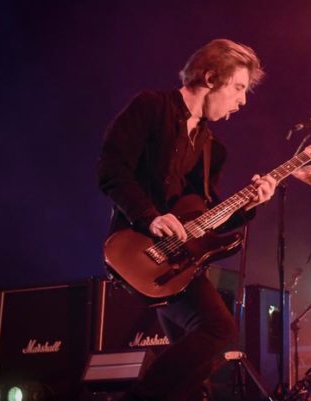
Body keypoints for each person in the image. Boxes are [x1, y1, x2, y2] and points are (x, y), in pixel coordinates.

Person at [97, 38, 277, 401]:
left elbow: (206, 221)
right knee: (218, 329)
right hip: (137, 247)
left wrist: (249, 204)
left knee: (191, 382)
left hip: (179, 261)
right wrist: (150, 217)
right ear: (210, 78)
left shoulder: (212, 148)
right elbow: (111, 170)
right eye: (238, 87)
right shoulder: (151, 107)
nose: (242, 101)